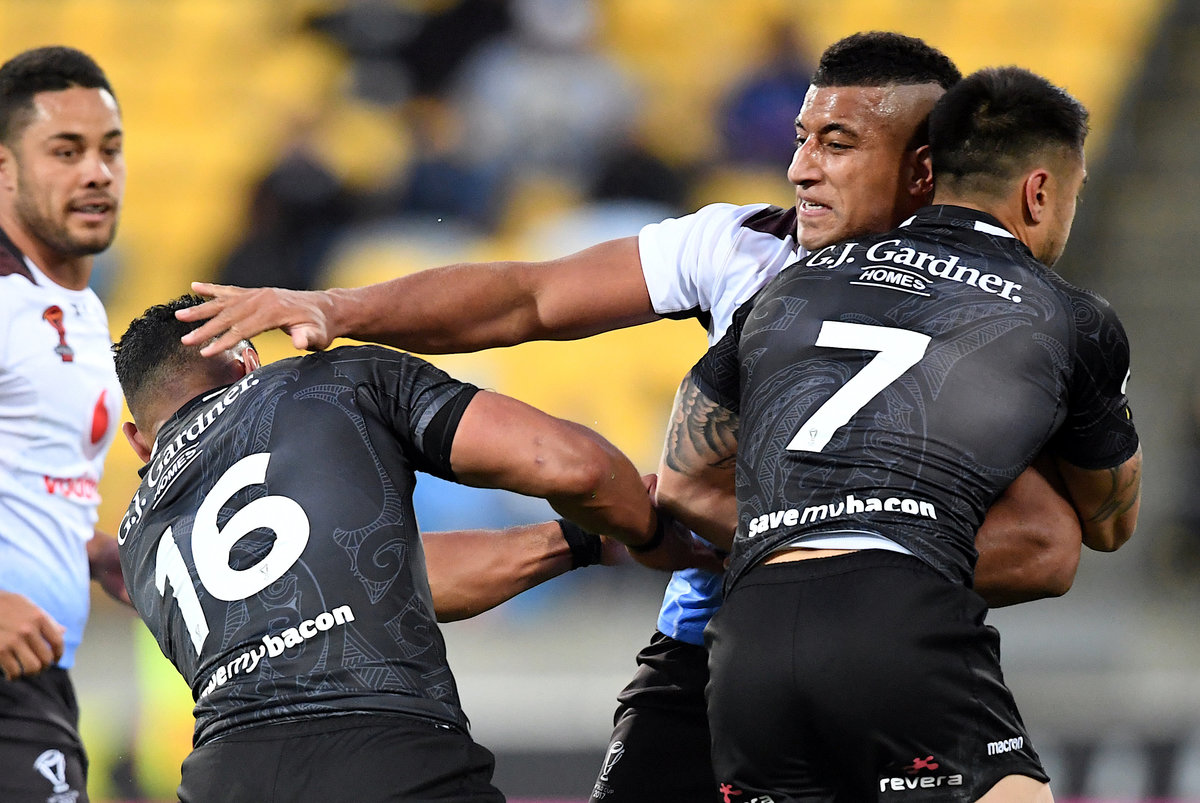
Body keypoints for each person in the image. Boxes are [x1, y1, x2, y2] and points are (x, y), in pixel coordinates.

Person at [174, 32, 1083, 802]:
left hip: (888, 654)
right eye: (801, 138)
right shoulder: (743, 246)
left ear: (922, 168)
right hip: (709, 651)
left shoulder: (994, 309)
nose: (801, 167)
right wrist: (337, 306)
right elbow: (530, 297)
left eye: (836, 144)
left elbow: (1042, 544)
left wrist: (816, 549)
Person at [660, 66, 1142, 802]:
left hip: (749, 638)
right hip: (899, 620)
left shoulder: (789, 283)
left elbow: (681, 477)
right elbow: (1110, 522)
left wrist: (804, 523)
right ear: (1039, 192)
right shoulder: (1068, 315)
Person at [111, 295, 719, 802]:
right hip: (384, 753)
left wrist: (583, 540)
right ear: (249, 362)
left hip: (220, 778)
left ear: (138, 441)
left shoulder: (134, 536)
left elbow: (386, 582)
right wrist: (650, 533)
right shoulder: (327, 381)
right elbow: (570, 466)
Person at [0, 46, 129, 803]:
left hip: (38, 677)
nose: (97, 172)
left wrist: (90, 549)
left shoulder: (74, 305)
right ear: (4, 168)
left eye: (110, 150)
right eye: (66, 151)